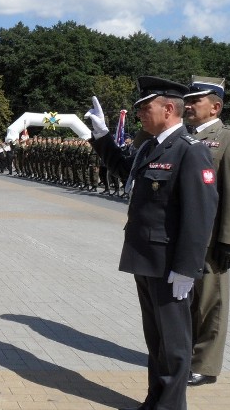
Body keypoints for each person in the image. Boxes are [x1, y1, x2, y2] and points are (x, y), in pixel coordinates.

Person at [84, 76, 218, 410]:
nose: (141, 113)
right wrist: (101, 136)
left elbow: (199, 215)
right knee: (156, 341)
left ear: (169, 108)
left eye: (146, 107)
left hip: (171, 265)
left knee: (174, 345)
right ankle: (155, 400)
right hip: (146, 259)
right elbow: (123, 168)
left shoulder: (190, 151)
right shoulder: (151, 147)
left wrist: (187, 268)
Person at [182, 77, 230, 387]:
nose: (188, 105)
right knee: (187, 299)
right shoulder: (185, 136)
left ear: (215, 106)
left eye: (195, 100)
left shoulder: (228, 139)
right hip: (186, 234)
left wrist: (229, 239)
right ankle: (186, 355)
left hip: (212, 238)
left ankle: (206, 365)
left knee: (211, 301)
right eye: (188, 99)